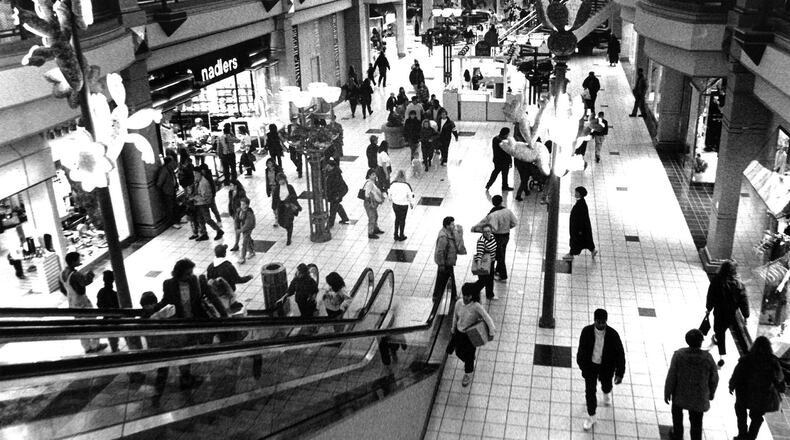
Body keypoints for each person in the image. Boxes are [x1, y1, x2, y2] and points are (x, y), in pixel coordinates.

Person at [663, 329, 719, 440]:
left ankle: (677, 435)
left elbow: (672, 375)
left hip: (680, 393)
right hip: (699, 396)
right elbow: (714, 378)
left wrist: (667, 391)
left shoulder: (679, 355)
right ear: (701, 342)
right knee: (696, 422)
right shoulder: (707, 358)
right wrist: (711, 393)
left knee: (677, 415)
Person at [576, 308, 626, 431]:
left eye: (603, 322)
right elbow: (581, 351)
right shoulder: (587, 332)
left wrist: (620, 373)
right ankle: (591, 416)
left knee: (606, 383)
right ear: (594, 321)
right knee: (590, 391)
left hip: (606, 367)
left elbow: (620, 354)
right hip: (590, 367)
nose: (601, 325)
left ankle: (606, 392)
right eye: (599, 322)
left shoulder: (613, 335)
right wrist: (583, 367)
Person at [730, 336, 786, 440]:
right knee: (756, 417)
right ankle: (751, 437)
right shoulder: (772, 361)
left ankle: (742, 434)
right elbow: (779, 377)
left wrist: (731, 385)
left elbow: (737, 373)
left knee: (740, 411)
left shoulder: (746, 359)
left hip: (744, 393)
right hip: (763, 396)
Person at [448, 282, 496, 387]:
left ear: (472, 295)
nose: (465, 297)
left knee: (469, 355)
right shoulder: (459, 303)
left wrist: (491, 332)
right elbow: (455, 317)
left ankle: (468, 374)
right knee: (458, 352)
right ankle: (469, 361)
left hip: (470, 335)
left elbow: (487, 318)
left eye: (468, 295)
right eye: (464, 295)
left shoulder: (476, 306)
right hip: (459, 332)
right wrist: (453, 329)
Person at [59, 252, 107, 353]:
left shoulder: (62, 274)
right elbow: (85, 282)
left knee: (81, 326)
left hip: (72, 303)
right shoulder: (75, 274)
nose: (79, 260)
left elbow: (62, 290)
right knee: (92, 324)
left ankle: (87, 347)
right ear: (73, 262)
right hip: (82, 302)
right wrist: (90, 274)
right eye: (78, 259)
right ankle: (95, 345)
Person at [706, 259, 750, 367]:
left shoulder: (717, 281)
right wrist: (746, 315)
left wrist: (708, 308)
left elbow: (711, 296)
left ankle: (722, 355)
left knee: (719, 330)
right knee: (723, 329)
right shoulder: (739, 285)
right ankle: (717, 338)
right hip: (731, 313)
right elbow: (744, 301)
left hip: (719, 310)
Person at [471, 195, 517, 281]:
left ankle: (503, 276)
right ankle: (498, 270)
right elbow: (514, 222)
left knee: (499, 256)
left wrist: (475, 228)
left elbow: (493, 228)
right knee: (502, 253)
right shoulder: (507, 211)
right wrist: (507, 227)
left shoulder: (493, 214)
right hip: (506, 235)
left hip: (498, 237)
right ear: (501, 201)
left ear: (493, 203)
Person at [189, 168, 224, 241]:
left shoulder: (203, 183)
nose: (194, 176)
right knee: (200, 219)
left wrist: (194, 198)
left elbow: (205, 197)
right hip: (199, 204)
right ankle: (204, 234)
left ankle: (219, 231)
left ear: (199, 173)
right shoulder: (199, 181)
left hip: (203, 204)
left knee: (207, 219)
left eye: (195, 174)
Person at [563, 186, 597, 261]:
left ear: (580, 194)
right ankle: (592, 250)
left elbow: (581, 218)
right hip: (580, 227)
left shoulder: (581, 204)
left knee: (575, 240)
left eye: (577, 192)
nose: (575, 193)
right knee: (586, 239)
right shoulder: (581, 202)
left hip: (578, 228)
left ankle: (571, 254)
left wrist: (580, 230)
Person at [433, 216, 462, 301]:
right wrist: (441, 264)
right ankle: (451, 296)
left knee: (442, 278)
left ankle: (437, 295)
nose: (454, 225)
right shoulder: (443, 237)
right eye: (452, 224)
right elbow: (440, 251)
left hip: (447, 261)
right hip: (445, 262)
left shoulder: (448, 233)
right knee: (445, 279)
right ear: (447, 226)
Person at [273, 173, 300, 246]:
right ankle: (288, 229)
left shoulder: (290, 187)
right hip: (281, 207)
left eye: (282, 179)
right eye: (279, 180)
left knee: (289, 221)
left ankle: (289, 238)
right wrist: (274, 207)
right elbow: (275, 198)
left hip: (289, 207)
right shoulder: (277, 189)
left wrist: (289, 199)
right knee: (281, 222)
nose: (281, 181)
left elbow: (294, 196)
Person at [96, 270, 120, 352]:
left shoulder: (101, 292)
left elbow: (99, 305)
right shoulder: (115, 294)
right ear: (113, 280)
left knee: (112, 335)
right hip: (116, 319)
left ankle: (114, 348)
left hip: (106, 318)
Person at [389, 170, 415, 241]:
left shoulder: (393, 184)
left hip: (395, 204)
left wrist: (391, 199)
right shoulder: (406, 185)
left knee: (397, 218)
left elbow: (389, 193)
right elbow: (410, 195)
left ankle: (395, 235)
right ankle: (401, 235)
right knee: (402, 220)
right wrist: (412, 203)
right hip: (403, 205)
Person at [156, 156, 182, 229]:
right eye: (172, 162)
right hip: (167, 193)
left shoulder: (170, 169)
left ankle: (177, 220)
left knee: (175, 206)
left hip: (172, 191)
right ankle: (172, 222)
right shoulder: (164, 171)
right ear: (169, 163)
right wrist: (165, 190)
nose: (173, 163)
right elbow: (159, 183)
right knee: (170, 208)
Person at [325, 158, 350, 228]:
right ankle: (344, 218)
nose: (327, 167)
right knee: (337, 206)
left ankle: (330, 224)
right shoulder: (331, 172)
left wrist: (336, 196)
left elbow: (335, 187)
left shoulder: (335, 175)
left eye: (329, 166)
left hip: (336, 194)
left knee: (333, 209)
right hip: (335, 194)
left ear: (332, 167)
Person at [474, 224, 498, 300]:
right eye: (485, 232)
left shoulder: (492, 237)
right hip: (484, 264)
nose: (487, 233)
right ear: (482, 232)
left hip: (491, 261)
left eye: (488, 231)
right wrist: (478, 266)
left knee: (489, 279)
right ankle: (473, 291)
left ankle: (489, 295)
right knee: (483, 281)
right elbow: (479, 254)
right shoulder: (481, 241)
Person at [362, 168, 385, 239]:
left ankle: (375, 229)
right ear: (369, 176)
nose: (375, 176)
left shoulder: (372, 182)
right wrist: (371, 202)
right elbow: (367, 195)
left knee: (375, 215)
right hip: (369, 203)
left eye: (375, 174)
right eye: (373, 175)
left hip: (370, 203)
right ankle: (370, 233)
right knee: (372, 217)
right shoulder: (369, 183)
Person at [233, 197, 256, 264]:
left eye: (243, 204)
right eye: (241, 204)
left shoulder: (249, 214)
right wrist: (236, 227)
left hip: (249, 227)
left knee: (244, 242)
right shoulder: (239, 210)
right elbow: (236, 219)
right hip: (242, 226)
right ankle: (251, 251)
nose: (241, 206)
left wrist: (240, 230)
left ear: (247, 205)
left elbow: (247, 225)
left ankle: (242, 257)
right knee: (247, 238)